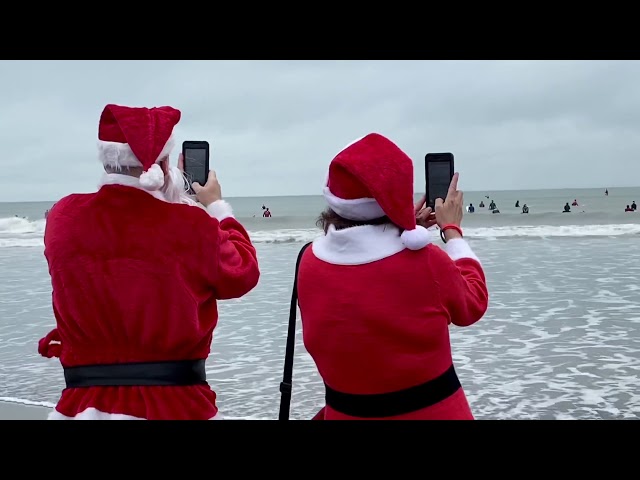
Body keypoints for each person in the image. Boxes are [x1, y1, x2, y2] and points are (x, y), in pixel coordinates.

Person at [38, 104, 260, 420]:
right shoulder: (191, 225)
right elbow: (243, 273)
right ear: (166, 162)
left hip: (81, 406)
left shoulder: (63, 217)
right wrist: (216, 208)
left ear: (106, 158)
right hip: (174, 406)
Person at [297, 133, 489, 420]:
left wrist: (399, 223)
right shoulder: (424, 261)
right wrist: (452, 231)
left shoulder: (309, 261)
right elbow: (473, 303)